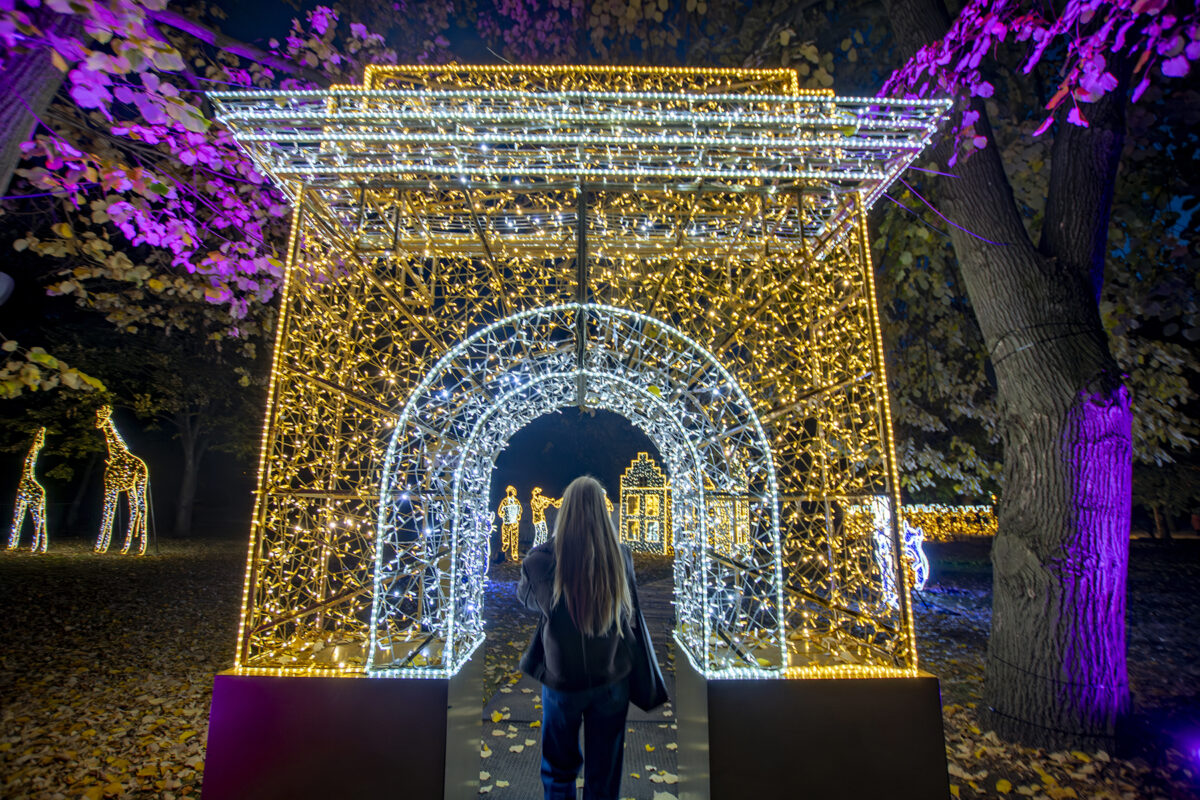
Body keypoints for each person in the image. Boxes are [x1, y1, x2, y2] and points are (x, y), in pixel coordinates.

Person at [518, 476, 639, 800]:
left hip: (562, 680)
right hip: (612, 676)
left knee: (559, 769)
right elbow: (630, 615)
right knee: (605, 772)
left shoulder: (541, 562)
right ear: (603, 513)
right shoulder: (620, 557)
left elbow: (527, 600)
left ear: (564, 512)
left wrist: (550, 544)